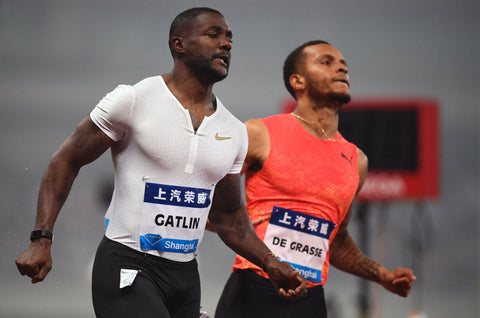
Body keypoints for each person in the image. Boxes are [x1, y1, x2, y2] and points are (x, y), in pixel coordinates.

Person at [15, 7, 307, 318]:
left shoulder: (234, 130)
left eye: (229, 38)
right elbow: (66, 160)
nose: (226, 44)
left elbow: (228, 218)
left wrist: (270, 262)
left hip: (185, 277)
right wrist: (41, 238)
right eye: (213, 34)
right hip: (127, 264)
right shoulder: (133, 100)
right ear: (178, 44)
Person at [215, 40, 416, 318]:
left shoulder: (356, 160)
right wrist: (250, 242)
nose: (341, 67)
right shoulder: (260, 133)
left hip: (310, 299)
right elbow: (216, 207)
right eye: (326, 62)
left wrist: (382, 274)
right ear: (297, 81)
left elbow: (337, 240)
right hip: (254, 288)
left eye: (343, 64)